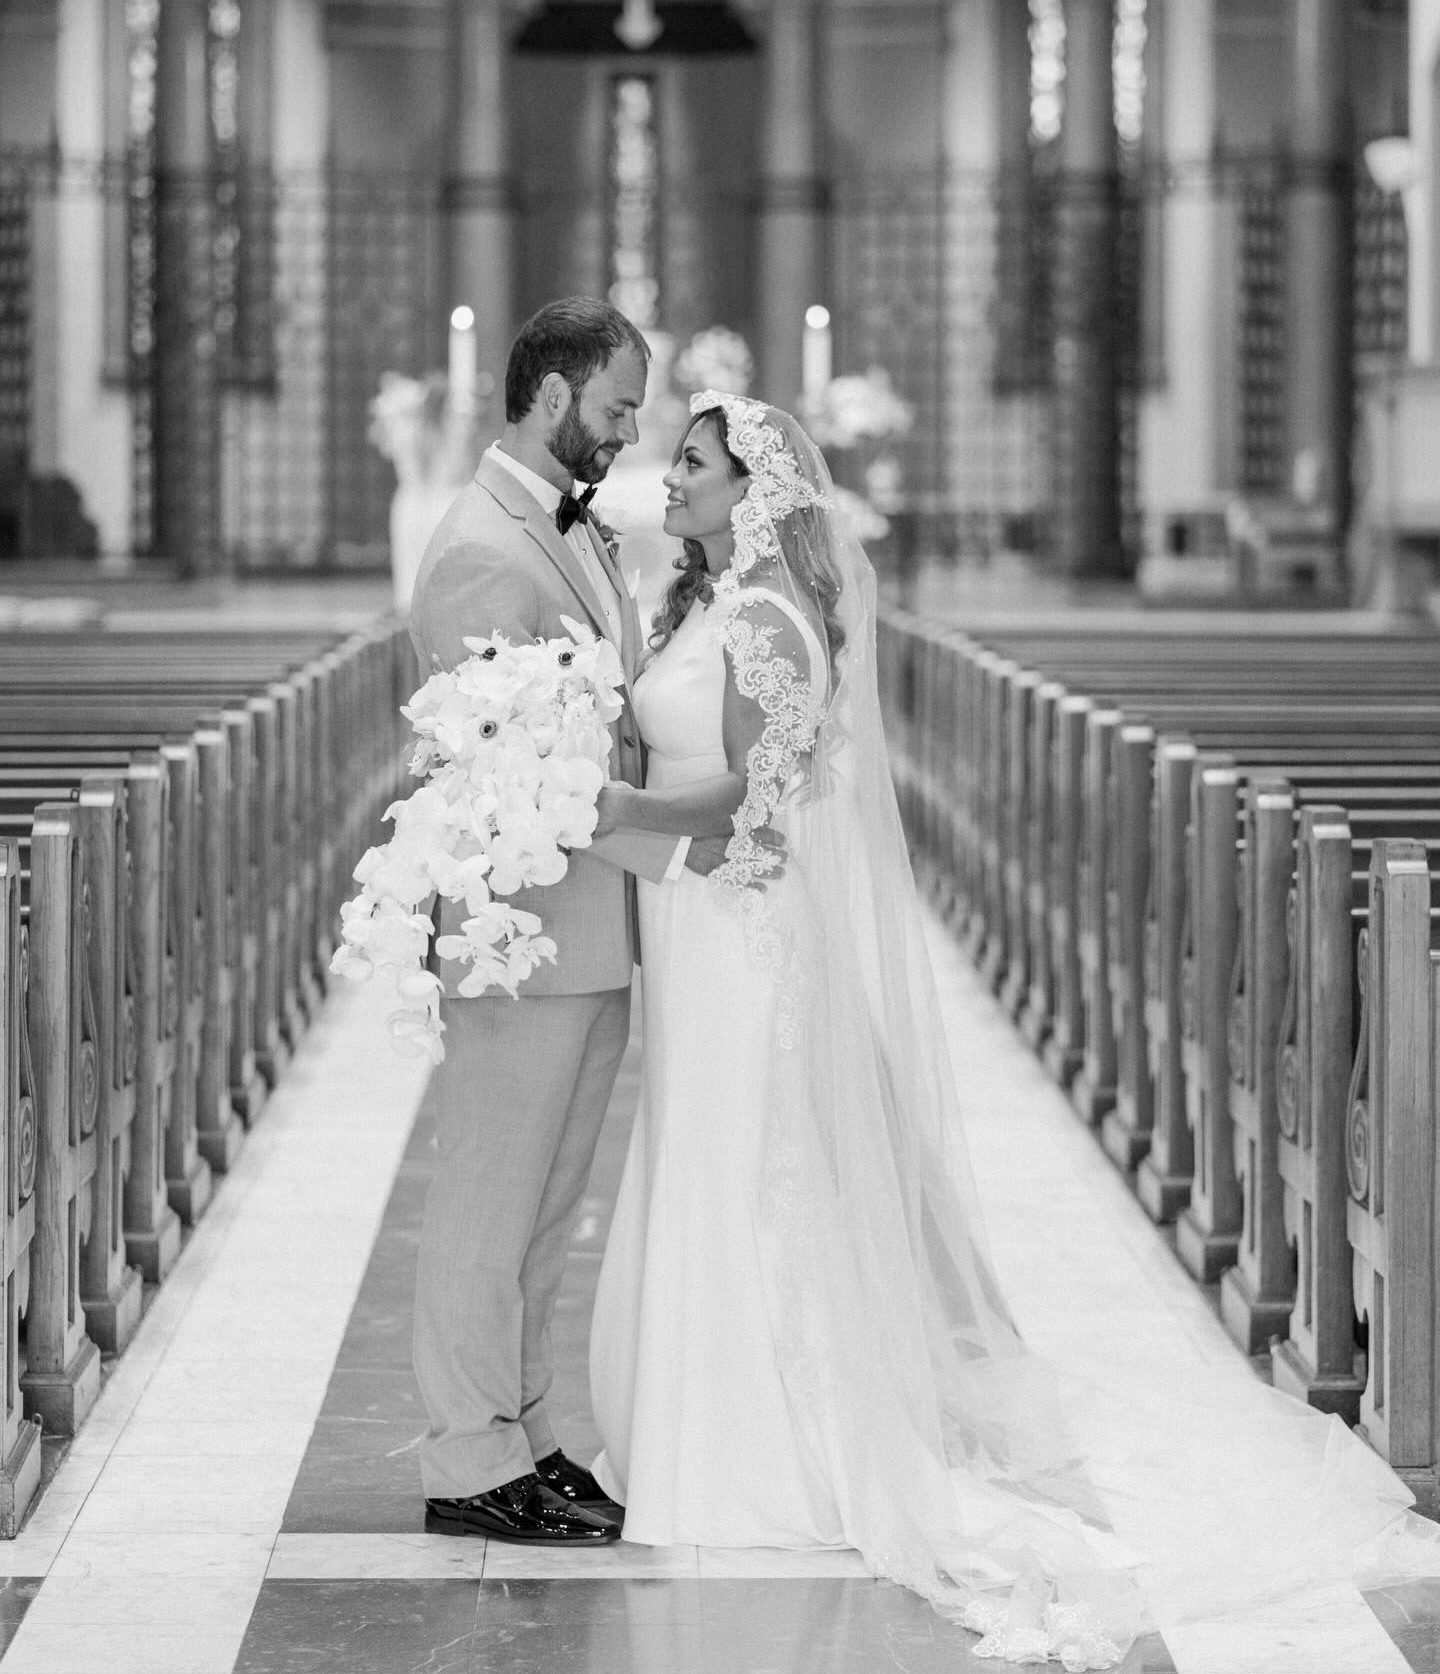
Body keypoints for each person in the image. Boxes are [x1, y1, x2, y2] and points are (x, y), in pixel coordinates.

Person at [584, 388, 1440, 1665]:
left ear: (752, 492)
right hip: (700, 933)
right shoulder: (710, 604)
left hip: (739, 935)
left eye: (695, 467)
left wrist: (605, 814)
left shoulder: (763, 618)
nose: (672, 483)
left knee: (745, 1163)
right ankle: (702, 1420)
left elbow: (755, 814)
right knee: (706, 1156)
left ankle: (759, 1444)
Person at [406, 297, 726, 1547]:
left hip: (590, 926)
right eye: (614, 407)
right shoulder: (483, 546)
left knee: (546, 1206)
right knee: (491, 1199)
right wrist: (700, 837)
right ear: (550, 398)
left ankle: (523, 1432)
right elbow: (518, 773)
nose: (629, 429)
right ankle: (466, 1460)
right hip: (523, 931)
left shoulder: (572, 528)